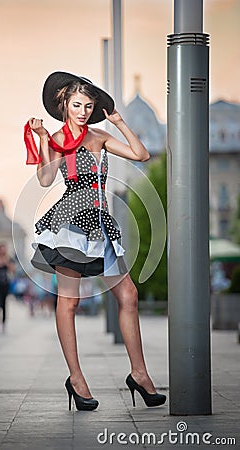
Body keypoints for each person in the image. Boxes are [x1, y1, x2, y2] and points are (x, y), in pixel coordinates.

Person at [24, 71, 166, 411]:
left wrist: (118, 121)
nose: (84, 111)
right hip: (70, 225)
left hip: (101, 224)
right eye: (77, 105)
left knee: (128, 295)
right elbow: (44, 179)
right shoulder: (57, 138)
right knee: (69, 303)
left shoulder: (99, 137)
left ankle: (140, 374)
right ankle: (76, 378)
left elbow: (141, 154)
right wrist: (44, 138)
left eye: (89, 105)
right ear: (64, 105)